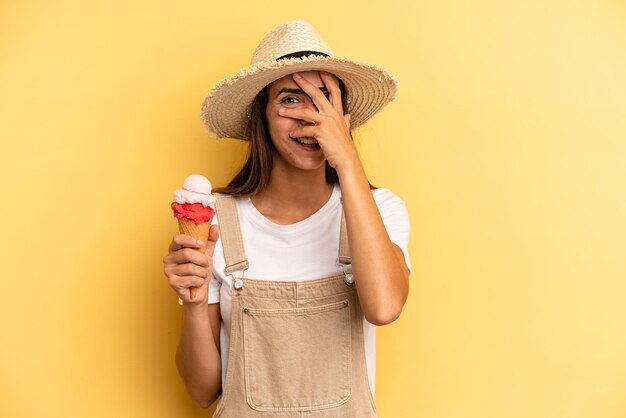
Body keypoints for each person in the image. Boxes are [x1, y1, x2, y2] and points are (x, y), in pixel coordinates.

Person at [163, 20, 411, 417]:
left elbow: (383, 308)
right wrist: (193, 303)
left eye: (325, 100)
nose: (310, 118)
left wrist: (347, 162)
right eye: (290, 99)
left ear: (344, 121)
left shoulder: (380, 209)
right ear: (261, 115)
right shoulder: (216, 222)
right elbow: (200, 389)